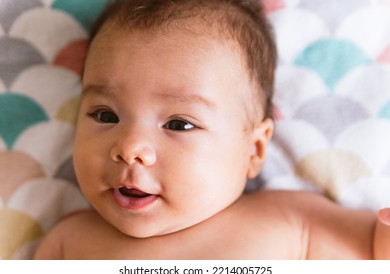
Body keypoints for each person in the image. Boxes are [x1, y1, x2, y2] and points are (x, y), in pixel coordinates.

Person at [34, 0, 390, 259]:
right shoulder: (70, 242)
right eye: (105, 115)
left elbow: (373, 252)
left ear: (254, 150)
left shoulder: (288, 221)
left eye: (179, 124)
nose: (130, 147)